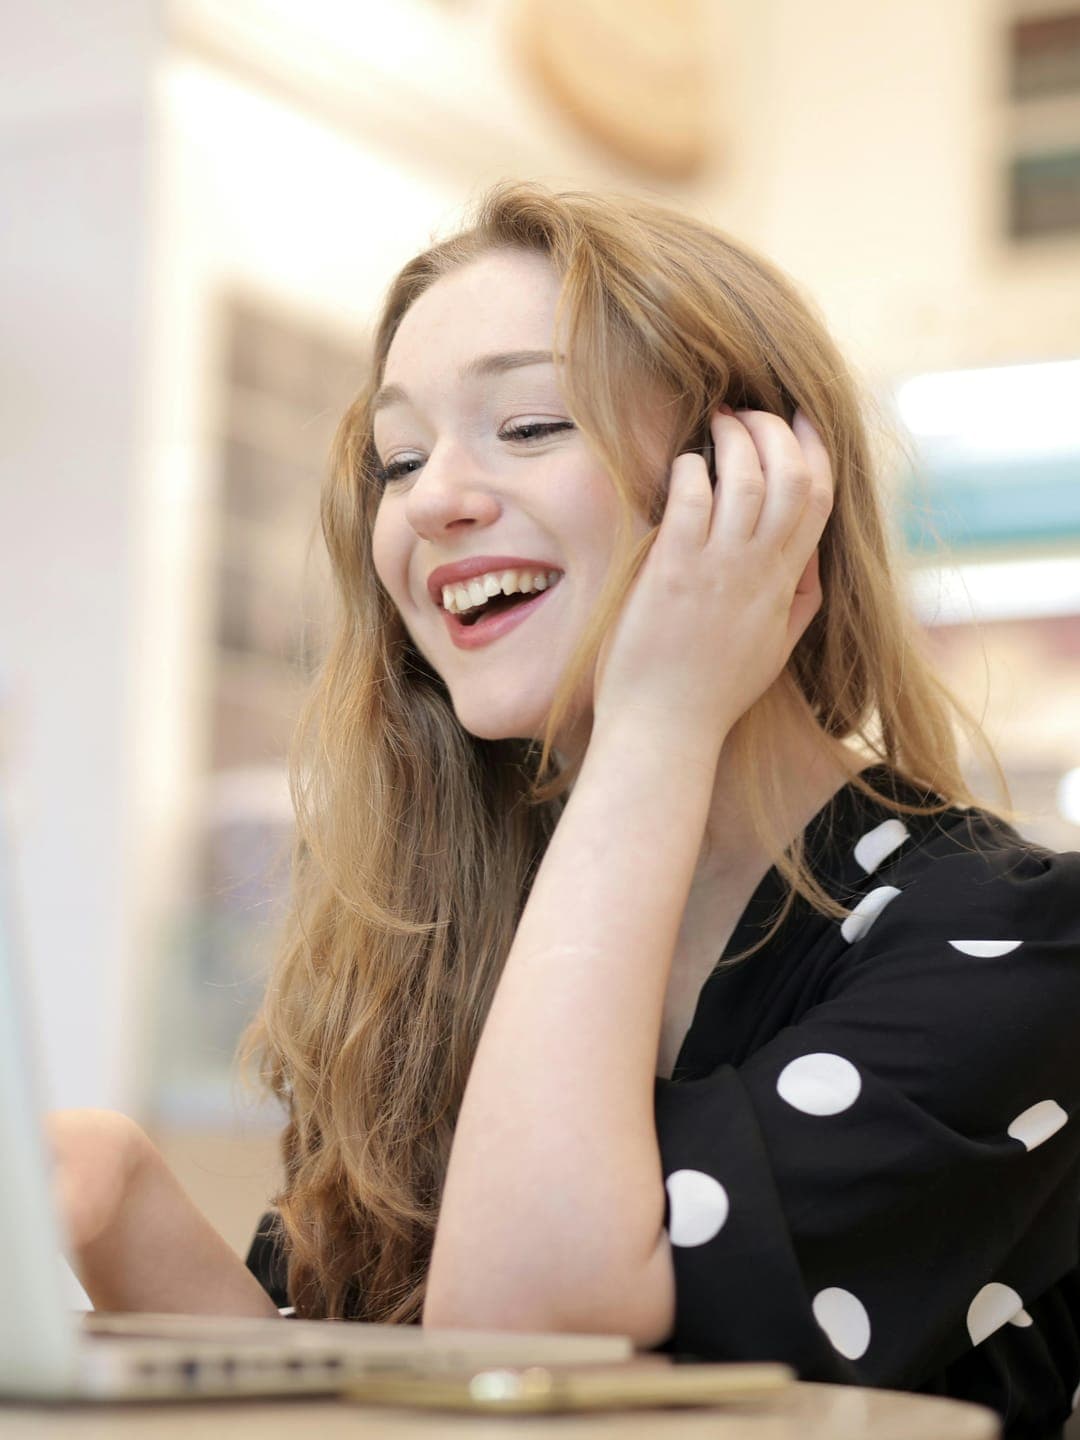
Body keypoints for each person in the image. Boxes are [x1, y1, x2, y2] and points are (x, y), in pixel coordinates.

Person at [52, 184, 1080, 1439]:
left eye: (529, 423)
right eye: (401, 457)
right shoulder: (446, 931)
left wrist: (659, 725)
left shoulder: (1019, 945)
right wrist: (121, 1204)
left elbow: (523, 1337)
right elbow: (369, 1407)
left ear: (756, 485)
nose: (433, 501)